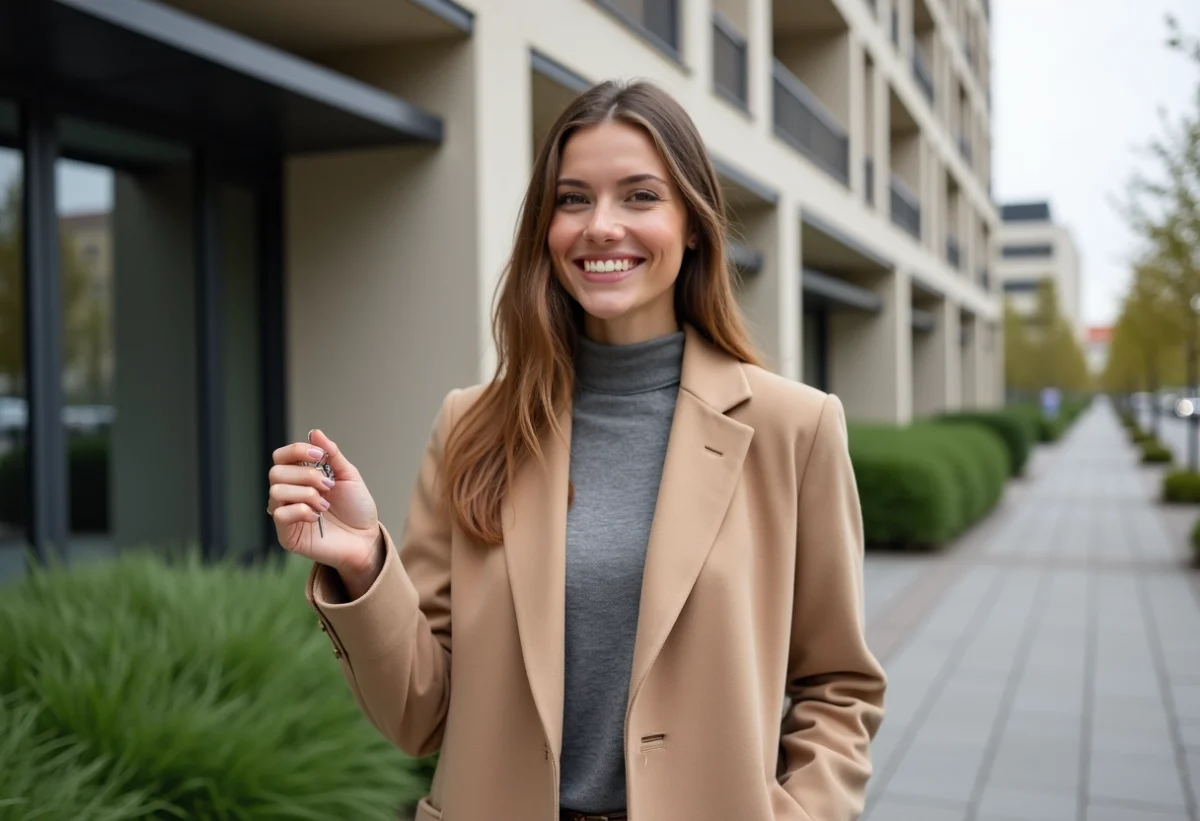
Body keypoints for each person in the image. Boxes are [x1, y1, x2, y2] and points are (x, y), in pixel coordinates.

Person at [267, 79, 886, 821]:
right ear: (546, 226)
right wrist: (364, 560)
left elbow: (839, 685)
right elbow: (420, 712)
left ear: (692, 223)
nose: (600, 226)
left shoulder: (796, 427)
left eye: (639, 196)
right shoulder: (474, 426)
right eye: (572, 199)